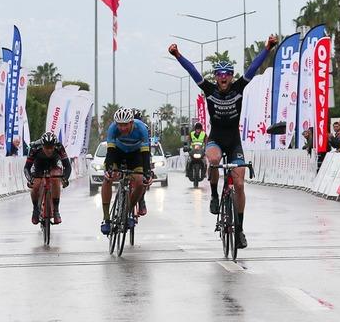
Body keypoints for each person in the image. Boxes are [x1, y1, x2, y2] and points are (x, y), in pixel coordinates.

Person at [169, 34, 277, 250]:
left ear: (231, 76)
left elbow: (254, 68)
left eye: (227, 74)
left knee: (239, 184)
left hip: (234, 141)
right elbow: (193, 72)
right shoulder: (209, 90)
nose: (224, 77)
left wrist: (267, 48)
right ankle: (215, 196)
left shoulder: (239, 87)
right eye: (220, 74)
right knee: (215, 159)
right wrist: (178, 55)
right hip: (216, 139)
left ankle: (240, 230)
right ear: (216, 77)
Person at [100, 108, 152, 236]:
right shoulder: (113, 128)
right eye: (120, 125)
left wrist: (147, 172)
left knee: (140, 182)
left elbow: (145, 153)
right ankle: (106, 219)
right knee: (108, 178)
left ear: (131, 122)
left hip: (135, 154)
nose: (122, 128)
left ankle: (128, 213)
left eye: (125, 125)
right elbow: (110, 152)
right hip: (117, 152)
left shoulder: (141, 129)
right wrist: (109, 169)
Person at [24, 132, 71, 225]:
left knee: (56, 179)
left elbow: (67, 166)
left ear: (54, 146)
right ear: (42, 145)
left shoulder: (59, 146)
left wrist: (65, 178)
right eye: (46, 148)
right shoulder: (35, 147)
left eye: (51, 148)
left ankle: (56, 210)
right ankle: (35, 209)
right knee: (35, 185)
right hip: (39, 165)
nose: (49, 150)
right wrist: (30, 180)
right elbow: (26, 168)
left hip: (54, 164)